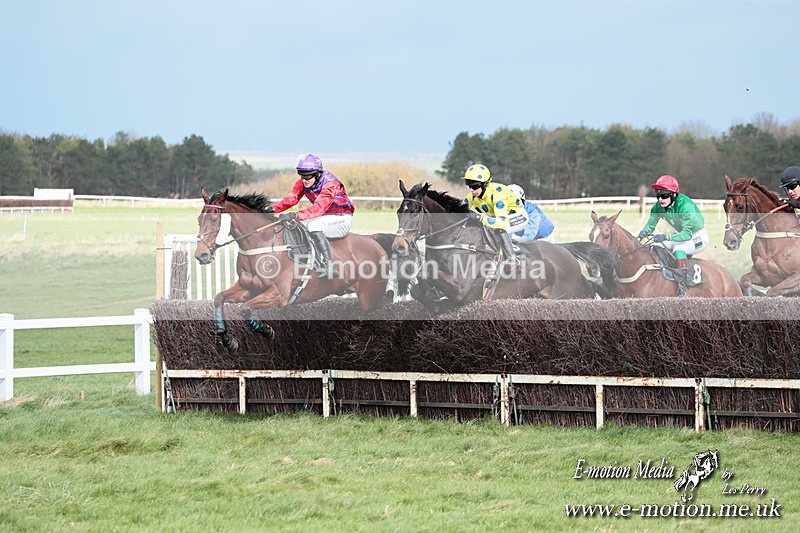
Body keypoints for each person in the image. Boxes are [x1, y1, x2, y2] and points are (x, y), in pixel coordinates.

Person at [266, 154, 354, 278]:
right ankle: (306, 260)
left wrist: (294, 215)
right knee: (296, 225)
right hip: (324, 217)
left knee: (314, 224)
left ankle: (329, 266)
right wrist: (272, 209)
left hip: (341, 218)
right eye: (302, 176)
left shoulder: (330, 184)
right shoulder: (303, 183)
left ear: (318, 174)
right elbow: (292, 198)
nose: (304, 180)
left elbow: (318, 208)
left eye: (307, 176)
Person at [636, 175, 708, 297]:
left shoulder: (685, 207)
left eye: (664, 194)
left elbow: (686, 234)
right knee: (655, 245)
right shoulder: (658, 207)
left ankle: (682, 285)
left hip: (697, 237)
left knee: (679, 249)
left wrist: (665, 237)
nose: (660, 199)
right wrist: (644, 232)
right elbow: (650, 225)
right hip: (681, 235)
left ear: (674, 194)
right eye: (658, 194)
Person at [461, 163, 529, 265]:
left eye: (474, 186)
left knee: (499, 230)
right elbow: (459, 208)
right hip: (497, 217)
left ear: (484, 184)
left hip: (518, 217)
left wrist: (480, 217)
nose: (471, 190)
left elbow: (500, 222)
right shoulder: (472, 196)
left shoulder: (497, 196)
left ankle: (513, 259)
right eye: (469, 185)